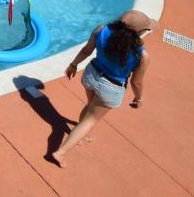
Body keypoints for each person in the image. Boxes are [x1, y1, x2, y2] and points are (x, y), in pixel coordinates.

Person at [51, 10, 156, 168]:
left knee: (90, 107)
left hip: (90, 75)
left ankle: (79, 135)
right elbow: (136, 83)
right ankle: (61, 152)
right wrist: (138, 98)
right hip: (111, 88)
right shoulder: (142, 56)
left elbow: (87, 50)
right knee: (91, 119)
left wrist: (73, 65)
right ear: (140, 32)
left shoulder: (101, 30)